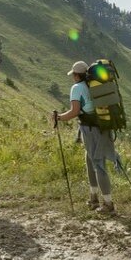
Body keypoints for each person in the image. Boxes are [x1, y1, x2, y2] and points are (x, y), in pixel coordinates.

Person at [53, 60, 117, 213]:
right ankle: (93, 198)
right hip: (102, 127)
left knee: (98, 164)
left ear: (76, 75)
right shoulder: (93, 85)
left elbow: (74, 112)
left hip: (90, 129)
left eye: (73, 75)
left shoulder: (77, 88)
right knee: (90, 161)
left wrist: (59, 118)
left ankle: (108, 204)